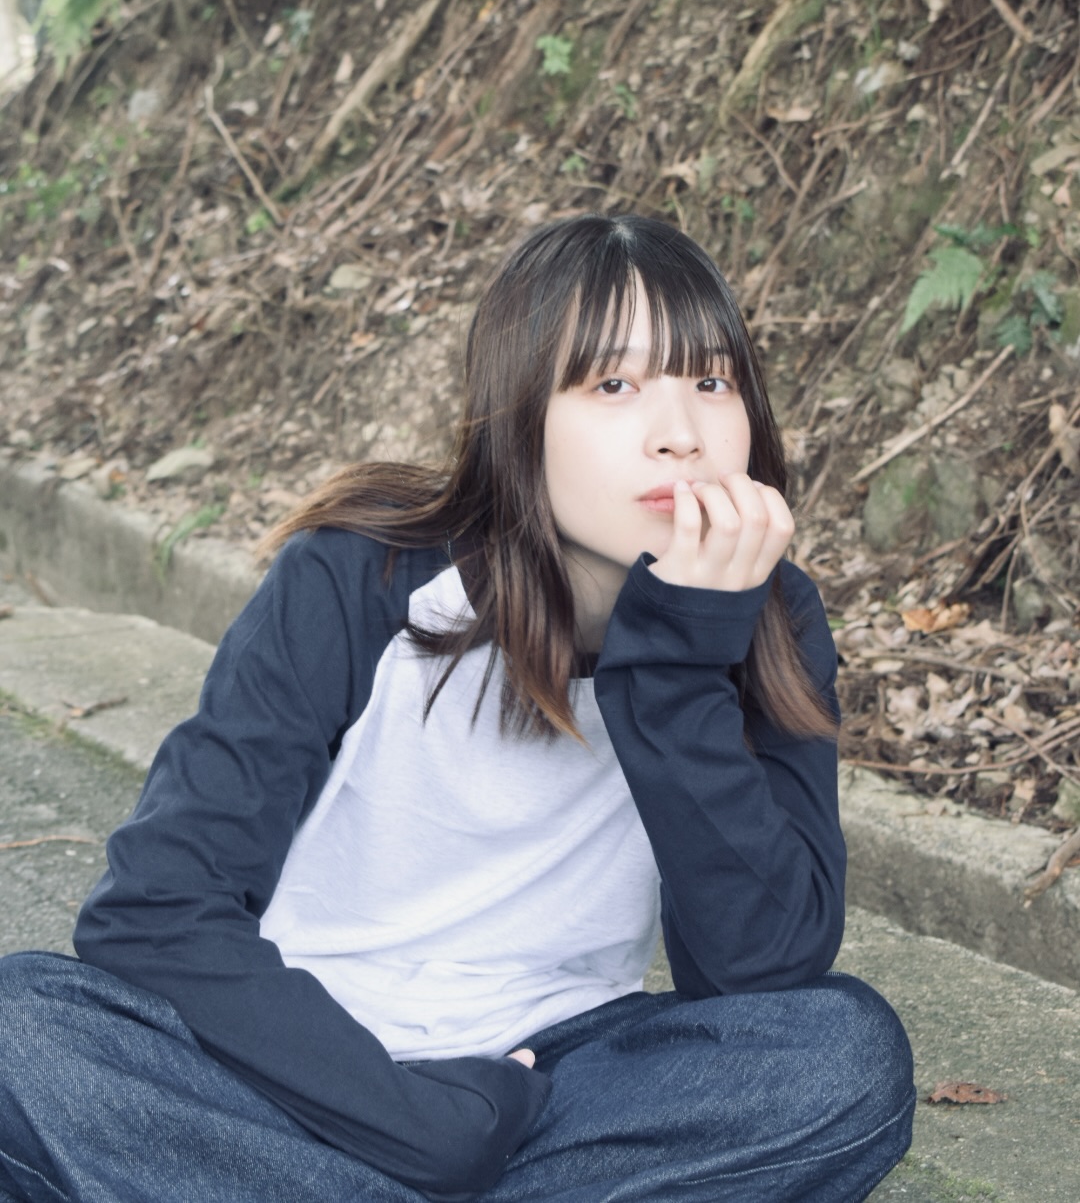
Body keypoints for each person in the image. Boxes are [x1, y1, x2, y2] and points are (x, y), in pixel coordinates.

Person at [0, 214, 915, 1203]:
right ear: (521, 416)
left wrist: (680, 665)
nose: (680, 433)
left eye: (712, 381)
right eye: (613, 385)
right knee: (19, 1025)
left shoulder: (764, 611)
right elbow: (155, 916)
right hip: (294, 1067)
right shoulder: (360, 576)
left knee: (844, 1058)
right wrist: (424, 1128)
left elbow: (759, 970)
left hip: (548, 1083)